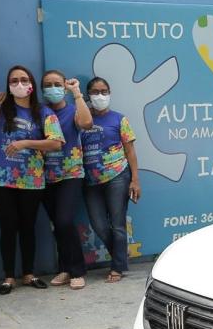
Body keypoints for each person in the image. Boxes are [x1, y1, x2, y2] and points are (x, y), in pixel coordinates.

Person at [0, 66, 65, 295]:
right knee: (8, 228)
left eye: (23, 79)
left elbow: (56, 142)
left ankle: (28, 274)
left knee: (28, 227)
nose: (19, 84)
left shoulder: (44, 113)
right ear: (8, 85)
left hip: (32, 181)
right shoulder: (1, 110)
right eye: (14, 80)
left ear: (31, 84)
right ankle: (8, 277)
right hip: (1, 180)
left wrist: (26, 143)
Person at [81, 77, 141, 283]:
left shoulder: (119, 119)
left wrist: (135, 179)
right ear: (88, 95)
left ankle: (117, 266)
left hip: (117, 176)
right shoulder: (82, 120)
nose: (100, 95)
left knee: (117, 224)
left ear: (110, 93)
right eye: (95, 91)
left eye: (104, 91)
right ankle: (120, 257)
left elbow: (130, 150)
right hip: (89, 181)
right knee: (98, 224)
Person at [41, 70, 93, 290]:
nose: (52, 88)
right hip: (44, 177)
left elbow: (87, 123)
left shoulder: (72, 110)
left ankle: (78, 270)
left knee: (64, 221)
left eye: (57, 84)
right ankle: (64, 268)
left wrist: (77, 93)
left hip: (71, 174)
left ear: (63, 87)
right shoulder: (40, 112)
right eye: (48, 84)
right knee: (57, 225)